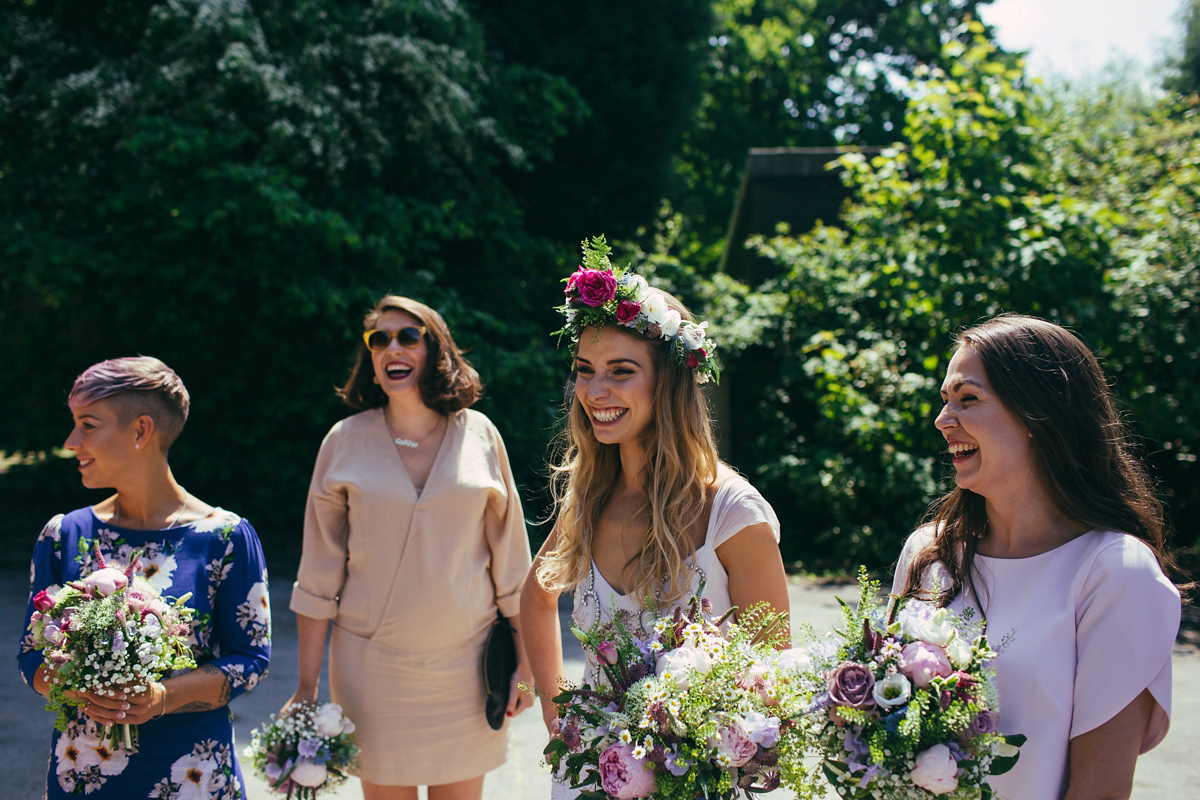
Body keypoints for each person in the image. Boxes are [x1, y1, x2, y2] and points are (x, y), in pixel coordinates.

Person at [521, 240, 791, 795]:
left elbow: (775, 680)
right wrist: (558, 717)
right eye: (585, 370)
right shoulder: (588, 497)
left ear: (666, 383)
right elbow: (536, 593)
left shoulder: (733, 513)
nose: (596, 391)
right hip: (591, 779)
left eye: (621, 371)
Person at [892, 314, 1185, 800]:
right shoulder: (928, 553)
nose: (943, 420)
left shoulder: (1115, 572)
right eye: (945, 401)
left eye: (968, 399)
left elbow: (1100, 791)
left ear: (1037, 416)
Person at [286, 295, 533, 800]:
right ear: (371, 362)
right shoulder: (343, 440)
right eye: (379, 340)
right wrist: (306, 689)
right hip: (371, 671)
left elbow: (513, 567)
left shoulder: (481, 435)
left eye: (407, 336)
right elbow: (318, 576)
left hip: (469, 668)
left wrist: (526, 666)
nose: (391, 348)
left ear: (435, 349)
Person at [17, 356, 271, 798]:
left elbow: (250, 660)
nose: (71, 441)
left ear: (140, 431)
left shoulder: (226, 537)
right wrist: (86, 689)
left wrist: (161, 698)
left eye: (88, 425)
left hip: (192, 777)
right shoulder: (63, 535)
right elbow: (30, 658)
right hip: (83, 776)